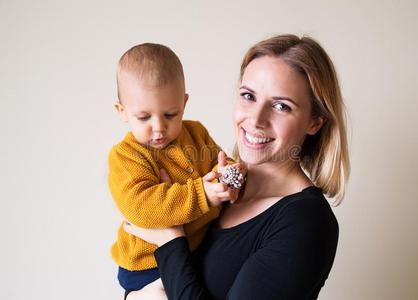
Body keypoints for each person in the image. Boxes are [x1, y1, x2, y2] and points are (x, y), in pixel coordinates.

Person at [122, 34, 350, 299]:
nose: (256, 119)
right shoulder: (212, 186)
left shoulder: (307, 223)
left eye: (281, 106)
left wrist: (170, 240)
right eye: (248, 96)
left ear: (315, 122)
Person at [108, 43, 244, 297]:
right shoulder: (126, 156)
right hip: (147, 266)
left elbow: (217, 164)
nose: (159, 127)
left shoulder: (196, 133)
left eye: (171, 114)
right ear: (122, 111)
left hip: (193, 253)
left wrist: (227, 177)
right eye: (144, 117)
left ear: (184, 102)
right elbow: (143, 208)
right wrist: (203, 194)